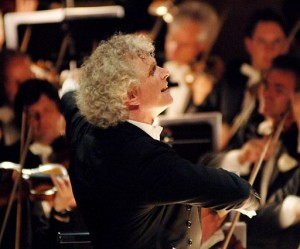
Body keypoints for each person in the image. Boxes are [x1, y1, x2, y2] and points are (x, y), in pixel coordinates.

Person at [60, 33, 260, 249]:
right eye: (152, 71)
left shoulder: (84, 127)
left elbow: (69, 98)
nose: (165, 73)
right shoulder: (141, 159)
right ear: (130, 96)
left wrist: (71, 83)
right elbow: (236, 191)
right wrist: (251, 200)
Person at [200, 55, 300, 248]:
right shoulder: (251, 127)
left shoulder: (295, 146)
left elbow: (264, 216)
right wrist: (239, 157)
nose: (266, 93)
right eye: (265, 84)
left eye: (278, 89)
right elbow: (204, 164)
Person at [0, 79, 86, 249]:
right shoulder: (13, 158)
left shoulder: (77, 151)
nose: (41, 119)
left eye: (47, 110)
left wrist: (65, 208)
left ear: (59, 110)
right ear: (23, 120)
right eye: (33, 114)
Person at [219, 8, 289, 149]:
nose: (270, 49)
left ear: (285, 46)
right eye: (262, 42)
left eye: (276, 42)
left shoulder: (290, 87)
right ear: (249, 45)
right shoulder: (232, 76)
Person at [158, 0, 223, 116]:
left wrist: (200, 102)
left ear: (203, 46)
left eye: (185, 44)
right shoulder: (149, 67)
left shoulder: (212, 78)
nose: (174, 48)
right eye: (172, 39)